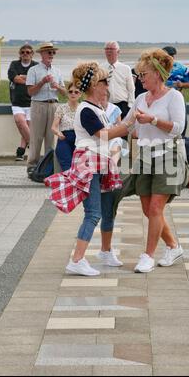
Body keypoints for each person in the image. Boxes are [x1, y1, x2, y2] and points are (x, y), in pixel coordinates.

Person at [45, 62, 137, 276]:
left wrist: (126, 124)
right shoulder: (86, 110)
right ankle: (77, 259)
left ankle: (103, 252)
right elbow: (103, 135)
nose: (108, 85)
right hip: (89, 161)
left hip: (99, 161)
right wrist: (128, 124)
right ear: (95, 85)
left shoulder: (98, 109)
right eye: (105, 81)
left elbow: (107, 134)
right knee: (93, 213)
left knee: (103, 209)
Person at [121, 48, 188, 273]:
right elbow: (127, 124)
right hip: (145, 156)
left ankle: (147, 256)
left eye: (144, 75)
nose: (141, 79)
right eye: (139, 75)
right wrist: (98, 132)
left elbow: (179, 128)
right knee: (148, 208)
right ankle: (173, 246)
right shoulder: (140, 98)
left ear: (158, 74)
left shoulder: (174, 96)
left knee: (157, 207)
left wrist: (154, 120)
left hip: (169, 155)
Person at [26, 42, 66, 175]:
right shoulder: (34, 70)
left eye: (53, 52)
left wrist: (58, 87)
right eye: (49, 52)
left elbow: (65, 92)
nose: (52, 55)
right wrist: (42, 82)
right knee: (36, 137)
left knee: (51, 138)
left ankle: (48, 166)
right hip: (38, 104)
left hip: (54, 105)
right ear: (42, 54)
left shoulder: (57, 71)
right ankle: (32, 164)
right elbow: (30, 92)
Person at [7, 44, 38, 161]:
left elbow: (38, 80)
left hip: (32, 102)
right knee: (20, 122)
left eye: (28, 52)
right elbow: (14, 78)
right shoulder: (14, 64)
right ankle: (34, 146)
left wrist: (22, 77)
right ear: (20, 54)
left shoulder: (36, 66)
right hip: (17, 102)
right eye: (23, 52)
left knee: (25, 129)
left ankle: (20, 151)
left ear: (32, 54)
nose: (25, 54)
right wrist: (29, 80)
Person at [162, 45, 189, 138]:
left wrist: (182, 85)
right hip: (161, 98)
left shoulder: (181, 68)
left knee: (182, 121)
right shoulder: (157, 68)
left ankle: (181, 140)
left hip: (178, 99)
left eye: (171, 55)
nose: (170, 57)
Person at [51, 83, 81, 171]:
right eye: (70, 91)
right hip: (64, 137)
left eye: (76, 92)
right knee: (66, 164)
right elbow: (54, 127)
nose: (73, 94)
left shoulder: (82, 108)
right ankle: (69, 182)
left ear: (80, 94)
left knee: (79, 164)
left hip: (79, 139)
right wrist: (58, 133)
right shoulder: (61, 108)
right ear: (67, 93)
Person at [104, 41, 135, 119]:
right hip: (107, 105)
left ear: (118, 52)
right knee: (107, 129)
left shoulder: (125, 68)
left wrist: (130, 106)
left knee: (123, 129)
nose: (109, 51)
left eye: (111, 49)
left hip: (122, 105)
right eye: (107, 49)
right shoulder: (101, 68)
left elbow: (131, 89)